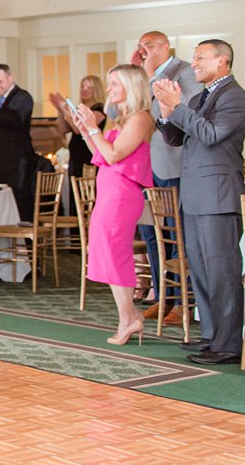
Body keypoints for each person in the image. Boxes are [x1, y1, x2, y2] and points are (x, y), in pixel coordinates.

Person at [154, 39, 245, 366]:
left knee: (222, 272)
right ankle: (211, 335)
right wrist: (168, 113)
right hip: (195, 194)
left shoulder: (235, 96)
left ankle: (229, 344)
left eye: (200, 58)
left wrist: (179, 108)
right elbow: (176, 138)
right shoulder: (200, 96)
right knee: (201, 272)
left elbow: (210, 135)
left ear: (222, 61)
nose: (194, 63)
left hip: (219, 196)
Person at [64, 65, 154, 345]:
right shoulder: (122, 119)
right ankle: (128, 315)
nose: (110, 88)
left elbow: (114, 155)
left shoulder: (140, 118)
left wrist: (93, 128)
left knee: (116, 255)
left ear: (131, 85)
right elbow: (101, 154)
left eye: (115, 83)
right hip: (109, 192)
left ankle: (130, 317)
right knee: (108, 252)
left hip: (122, 195)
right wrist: (86, 132)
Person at [132, 31, 202, 317]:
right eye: (141, 47)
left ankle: (181, 302)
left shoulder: (183, 71)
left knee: (176, 234)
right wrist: (139, 76)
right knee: (152, 234)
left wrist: (148, 77)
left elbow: (182, 109)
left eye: (149, 45)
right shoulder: (142, 73)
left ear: (165, 47)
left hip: (172, 162)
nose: (144, 50)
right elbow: (121, 110)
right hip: (146, 164)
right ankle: (162, 298)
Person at [0, 64, 38, 221]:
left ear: (10, 78)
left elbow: (16, 121)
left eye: (0, 81)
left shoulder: (23, 97)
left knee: (21, 204)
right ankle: (9, 244)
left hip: (19, 163)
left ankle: (27, 244)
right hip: (0, 162)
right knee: (4, 206)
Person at [49, 75, 106, 179]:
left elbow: (79, 129)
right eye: (83, 87)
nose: (84, 90)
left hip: (88, 154)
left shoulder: (99, 109)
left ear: (96, 90)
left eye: (89, 87)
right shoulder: (78, 109)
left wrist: (64, 107)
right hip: (75, 155)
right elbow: (63, 129)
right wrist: (60, 110)